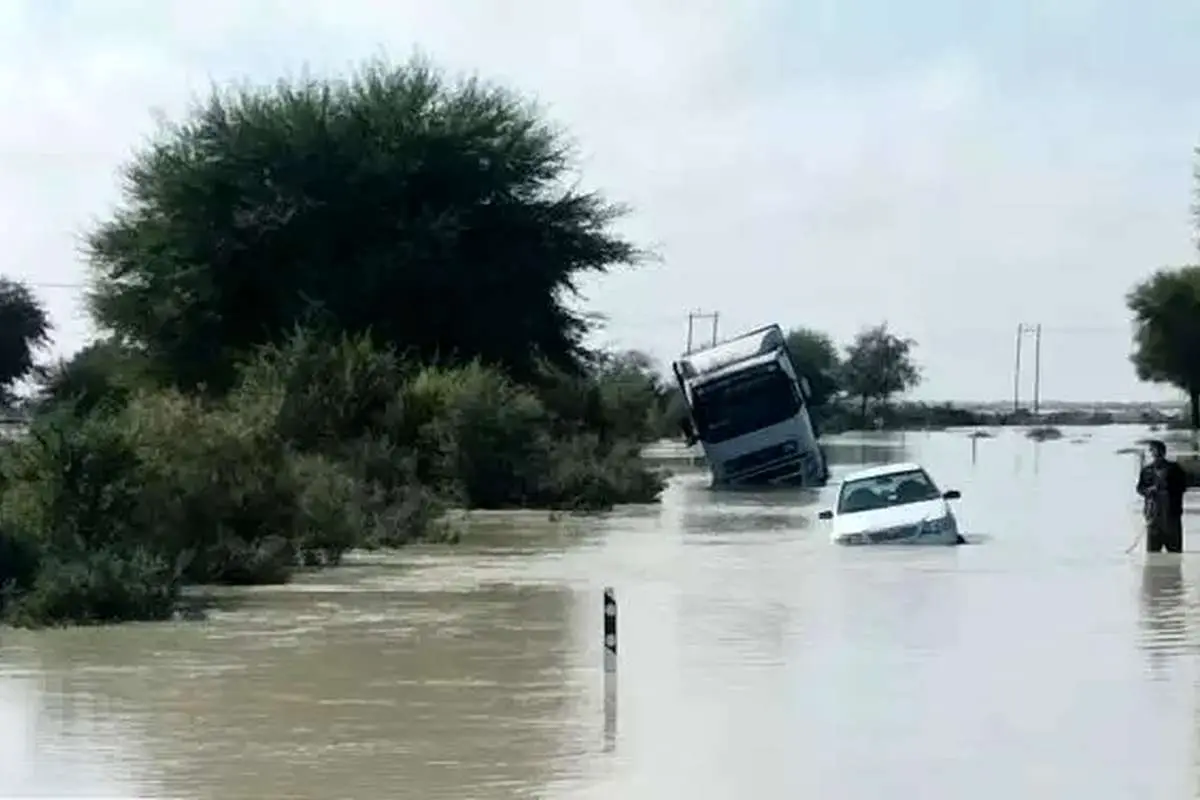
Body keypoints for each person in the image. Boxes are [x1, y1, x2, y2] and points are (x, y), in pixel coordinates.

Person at [1135, 440, 1189, 553]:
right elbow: (1140, 488)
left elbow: (1183, 487)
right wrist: (1147, 491)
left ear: (1162, 452)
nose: (1153, 453)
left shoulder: (1175, 469)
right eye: (1151, 451)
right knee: (1152, 557)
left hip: (1171, 517)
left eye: (1154, 450)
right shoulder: (1146, 470)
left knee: (1175, 554)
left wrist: (1163, 489)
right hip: (1153, 519)